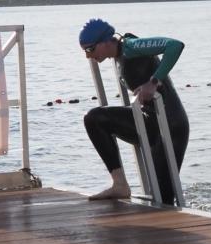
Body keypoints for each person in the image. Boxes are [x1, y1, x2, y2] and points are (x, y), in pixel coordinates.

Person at [80, 18, 189, 202]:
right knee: (94, 119)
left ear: (105, 41)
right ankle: (120, 185)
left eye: (90, 49)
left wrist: (153, 82)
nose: (88, 56)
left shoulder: (131, 46)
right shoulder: (118, 56)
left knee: (164, 197)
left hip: (170, 125)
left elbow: (175, 45)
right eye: (85, 51)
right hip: (148, 121)